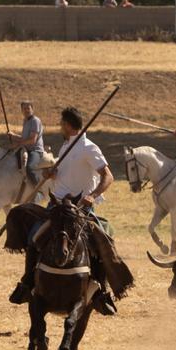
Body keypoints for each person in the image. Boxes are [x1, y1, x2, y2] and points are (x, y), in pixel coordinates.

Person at [9, 107, 117, 315]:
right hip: (57, 206)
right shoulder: (67, 146)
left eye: (61, 123)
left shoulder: (89, 147)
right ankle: (27, 283)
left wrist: (92, 196)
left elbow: (108, 176)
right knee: (35, 237)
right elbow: (67, 175)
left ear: (67, 125)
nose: (60, 127)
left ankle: (101, 292)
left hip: (79, 210)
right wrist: (53, 174)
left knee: (101, 241)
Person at [7, 101, 45, 187]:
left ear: (32, 109)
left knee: (29, 168)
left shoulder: (35, 121)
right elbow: (24, 139)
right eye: (24, 109)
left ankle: (38, 189)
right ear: (21, 111)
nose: (26, 110)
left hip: (35, 151)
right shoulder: (26, 121)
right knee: (11, 161)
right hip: (26, 149)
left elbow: (32, 140)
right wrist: (13, 136)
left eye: (28, 108)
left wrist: (18, 144)